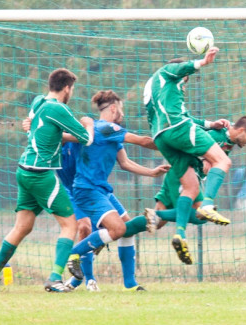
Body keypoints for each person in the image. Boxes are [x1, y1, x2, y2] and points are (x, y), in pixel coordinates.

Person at [0, 68, 95, 293]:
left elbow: (32, 129)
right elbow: (85, 139)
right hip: (40, 173)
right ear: (67, 88)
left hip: (23, 170)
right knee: (70, 225)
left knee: (22, 227)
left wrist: (56, 135)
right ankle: (54, 278)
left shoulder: (38, 101)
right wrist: (88, 123)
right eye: (72, 89)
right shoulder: (59, 108)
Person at [145, 106, 246, 239]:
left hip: (185, 175)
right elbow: (188, 144)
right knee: (197, 215)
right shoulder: (214, 135)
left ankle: (126, 229)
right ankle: (172, 227)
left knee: (157, 223)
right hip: (182, 175)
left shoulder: (231, 133)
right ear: (241, 130)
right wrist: (202, 160)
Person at [64, 89, 169, 291]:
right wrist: (172, 144)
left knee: (127, 228)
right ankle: (75, 254)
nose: (123, 115)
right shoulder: (107, 127)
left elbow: (125, 162)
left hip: (101, 190)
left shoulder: (106, 133)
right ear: (113, 108)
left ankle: (130, 284)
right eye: (121, 110)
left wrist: (152, 172)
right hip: (87, 189)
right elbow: (144, 141)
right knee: (118, 229)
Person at [143, 48, 233, 265]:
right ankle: (208, 203)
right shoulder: (166, 73)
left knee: (192, 188)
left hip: (162, 137)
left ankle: (180, 234)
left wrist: (211, 124)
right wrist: (201, 62)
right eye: (186, 79)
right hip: (177, 129)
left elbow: (183, 116)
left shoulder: (156, 91)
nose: (186, 82)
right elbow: (176, 68)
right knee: (222, 160)